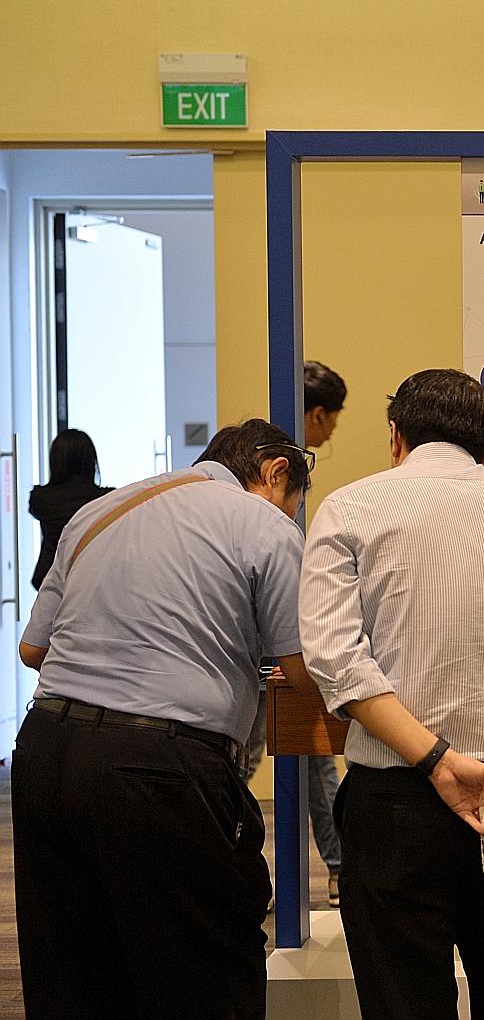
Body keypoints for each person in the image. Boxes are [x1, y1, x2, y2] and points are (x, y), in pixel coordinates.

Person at [300, 368, 484, 1019]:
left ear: (395, 434)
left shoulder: (348, 507)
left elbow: (335, 661)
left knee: (404, 1001)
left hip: (396, 800)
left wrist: (433, 758)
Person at [12, 420, 312, 1020]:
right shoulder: (266, 525)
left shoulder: (102, 510)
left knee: (72, 968)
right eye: (294, 498)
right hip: (161, 767)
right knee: (205, 965)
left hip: (46, 752)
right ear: (277, 473)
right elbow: (301, 670)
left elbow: (34, 651)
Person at [243, 358, 349, 908]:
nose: (331, 433)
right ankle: (331, 870)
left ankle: (330, 867)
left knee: (288, 760)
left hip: (268, 649)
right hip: (279, 650)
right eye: (330, 421)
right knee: (263, 760)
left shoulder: (256, 477)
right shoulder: (279, 501)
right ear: (316, 414)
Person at [28, 428, 112, 590]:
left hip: (49, 579)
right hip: (91, 580)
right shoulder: (104, 499)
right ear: (90, 462)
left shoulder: (41, 499)